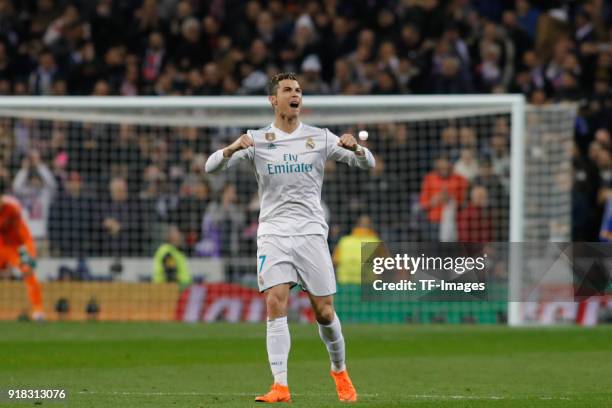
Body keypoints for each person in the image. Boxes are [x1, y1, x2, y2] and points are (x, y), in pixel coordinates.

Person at [205, 72, 375, 403]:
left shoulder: (320, 137)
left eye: (298, 90)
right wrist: (232, 148)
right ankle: (280, 385)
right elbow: (211, 167)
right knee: (275, 301)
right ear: (274, 99)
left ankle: (339, 370)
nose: (295, 94)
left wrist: (358, 149)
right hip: (274, 232)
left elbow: (368, 164)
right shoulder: (257, 139)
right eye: (287, 90)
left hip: (311, 232)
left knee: (324, 312)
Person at [0, 181, 44, 320]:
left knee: (28, 272)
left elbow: (25, 234)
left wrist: (30, 255)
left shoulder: (13, 208)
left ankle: (38, 311)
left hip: (15, 247)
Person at [153, 224, 192, 288]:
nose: (180, 235)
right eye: (177, 232)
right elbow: (170, 273)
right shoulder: (166, 252)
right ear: (170, 236)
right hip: (168, 291)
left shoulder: (176, 251)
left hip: (182, 289)